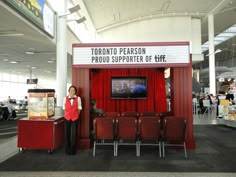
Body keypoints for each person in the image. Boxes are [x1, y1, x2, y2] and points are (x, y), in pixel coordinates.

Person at [63, 85, 82, 155]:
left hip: (75, 118)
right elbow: (64, 108)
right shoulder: (65, 98)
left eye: (73, 90)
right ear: (69, 91)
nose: (72, 91)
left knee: (74, 134)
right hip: (67, 117)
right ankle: (67, 150)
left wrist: (76, 115)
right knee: (66, 134)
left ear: (75, 92)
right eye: (71, 90)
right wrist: (68, 114)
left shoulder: (78, 98)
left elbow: (79, 108)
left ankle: (73, 150)